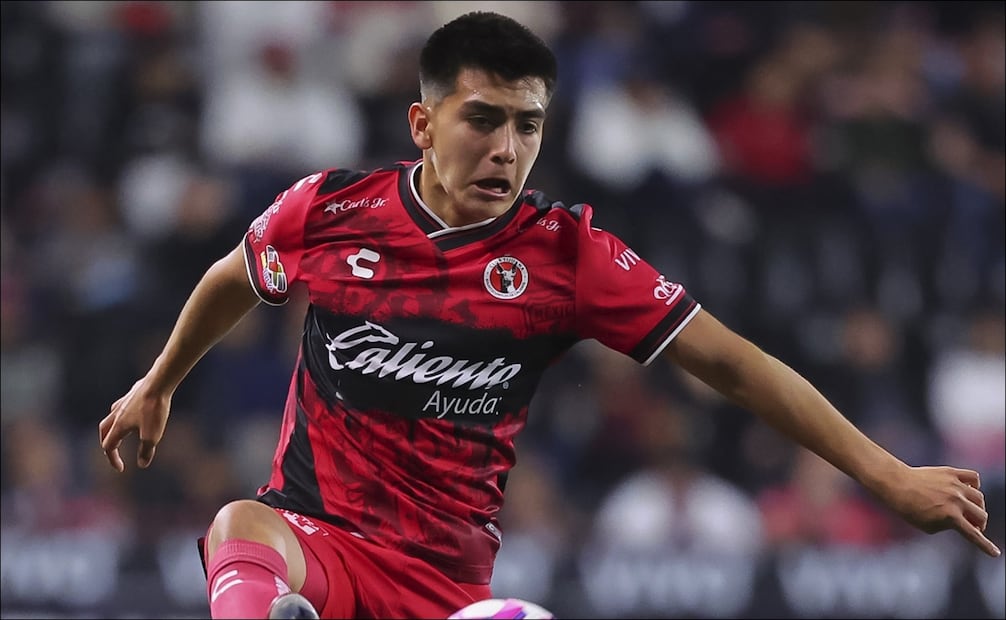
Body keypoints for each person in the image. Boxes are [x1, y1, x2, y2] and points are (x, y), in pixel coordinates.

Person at [98, 10, 1001, 620]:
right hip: (319, 540)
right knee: (235, 528)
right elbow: (231, 276)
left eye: (527, 126)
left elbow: (734, 363)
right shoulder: (328, 211)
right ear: (422, 122)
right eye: (482, 119)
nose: (506, 149)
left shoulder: (567, 256)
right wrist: (156, 385)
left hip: (450, 589)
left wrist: (885, 476)